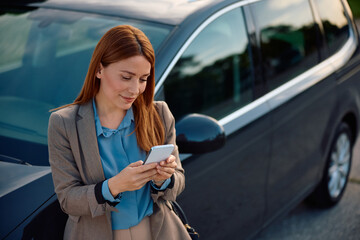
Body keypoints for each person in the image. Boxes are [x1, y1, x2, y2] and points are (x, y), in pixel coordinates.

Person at [48, 25, 190, 240]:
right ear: (99, 70)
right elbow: (67, 199)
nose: (135, 90)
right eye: (126, 77)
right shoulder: (64, 124)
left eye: (143, 79)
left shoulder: (159, 113)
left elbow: (178, 179)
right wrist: (114, 186)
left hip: (157, 231)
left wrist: (164, 179)